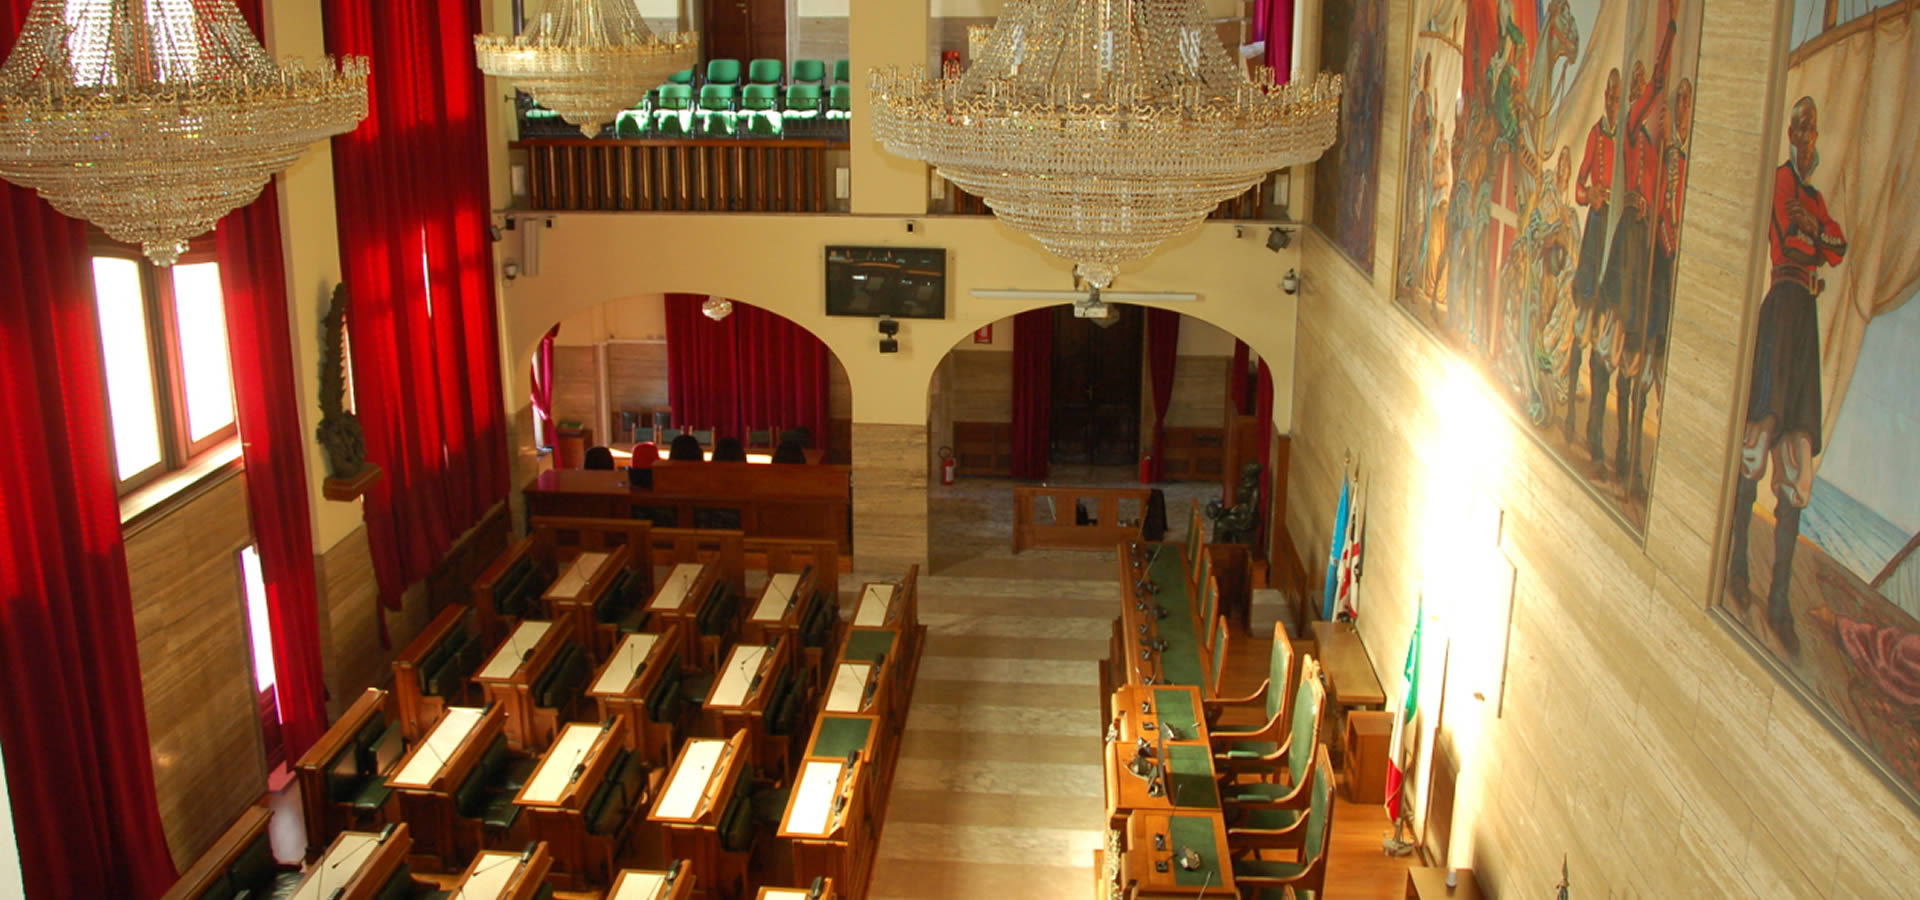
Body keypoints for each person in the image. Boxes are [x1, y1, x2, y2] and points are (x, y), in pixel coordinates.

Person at [1725, 95, 1847, 657]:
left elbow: (1836, 247)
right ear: (1791, 133)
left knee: (1796, 455)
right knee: (1757, 440)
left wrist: (1814, 228)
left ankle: (1778, 601)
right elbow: (1789, 231)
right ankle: (1735, 567)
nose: (1805, 135)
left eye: (1811, 128)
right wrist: (1812, 235)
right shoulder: (1780, 180)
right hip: (1780, 311)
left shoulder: (1815, 200)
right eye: (1799, 126)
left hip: (1805, 325)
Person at [1567, 67, 1619, 448]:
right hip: (1596, 233)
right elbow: (1579, 187)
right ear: (1605, 98)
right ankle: (1570, 410)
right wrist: (1591, 196)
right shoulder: (1597, 136)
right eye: (1611, 97)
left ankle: (1595, 432)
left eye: (1619, 99)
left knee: (1604, 340)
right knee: (1581, 327)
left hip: (1614, 243)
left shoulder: (1627, 141)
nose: (1614, 104)